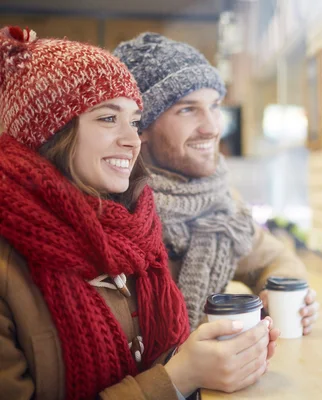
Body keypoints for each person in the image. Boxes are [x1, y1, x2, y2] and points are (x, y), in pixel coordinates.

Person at [0, 26, 275, 400]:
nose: (132, 139)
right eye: (108, 118)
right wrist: (177, 378)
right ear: (49, 131)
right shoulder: (11, 263)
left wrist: (215, 359)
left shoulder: (130, 233)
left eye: (133, 121)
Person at [114, 33, 320, 331]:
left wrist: (286, 299)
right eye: (187, 109)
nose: (212, 128)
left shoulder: (220, 203)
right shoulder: (111, 207)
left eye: (214, 106)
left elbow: (275, 259)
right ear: (139, 125)